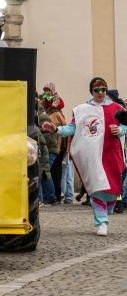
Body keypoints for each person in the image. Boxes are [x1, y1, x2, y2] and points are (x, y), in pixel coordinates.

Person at [43, 77, 126, 236]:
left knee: (112, 192)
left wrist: (121, 130)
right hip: (92, 156)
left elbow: (125, 125)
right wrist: (57, 129)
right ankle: (102, 222)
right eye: (97, 90)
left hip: (111, 154)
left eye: (103, 89)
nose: (100, 93)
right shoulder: (83, 110)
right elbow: (72, 128)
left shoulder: (116, 108)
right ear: (91, 91)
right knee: (96, 189)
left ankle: (107, 209)